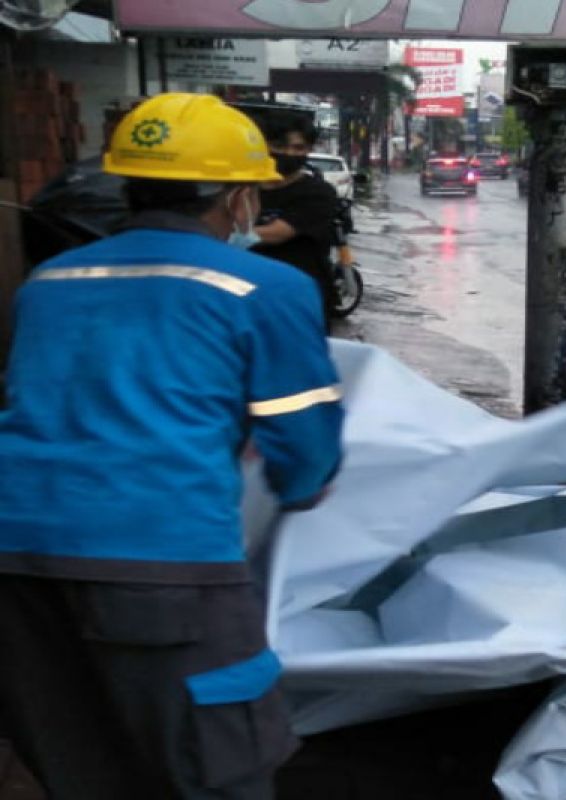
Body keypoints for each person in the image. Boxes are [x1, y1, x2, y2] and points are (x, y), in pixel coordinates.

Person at [0, 93, 345, 798]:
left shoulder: (51, 280)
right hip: (162, 564)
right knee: (220, 765)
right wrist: (304, 488)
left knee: (80, 757)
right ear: (236, 197)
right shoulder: (263, 285)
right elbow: (303, 448)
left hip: (15, 559)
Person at [252, 115, 339, 331]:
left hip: (299, 301)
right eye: (280, 146)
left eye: (299, 147)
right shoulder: (243, 188)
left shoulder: (318, 193)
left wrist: (224, 236)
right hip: (248, 295)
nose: (290, 153)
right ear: (266, 145)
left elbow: (277, 233)